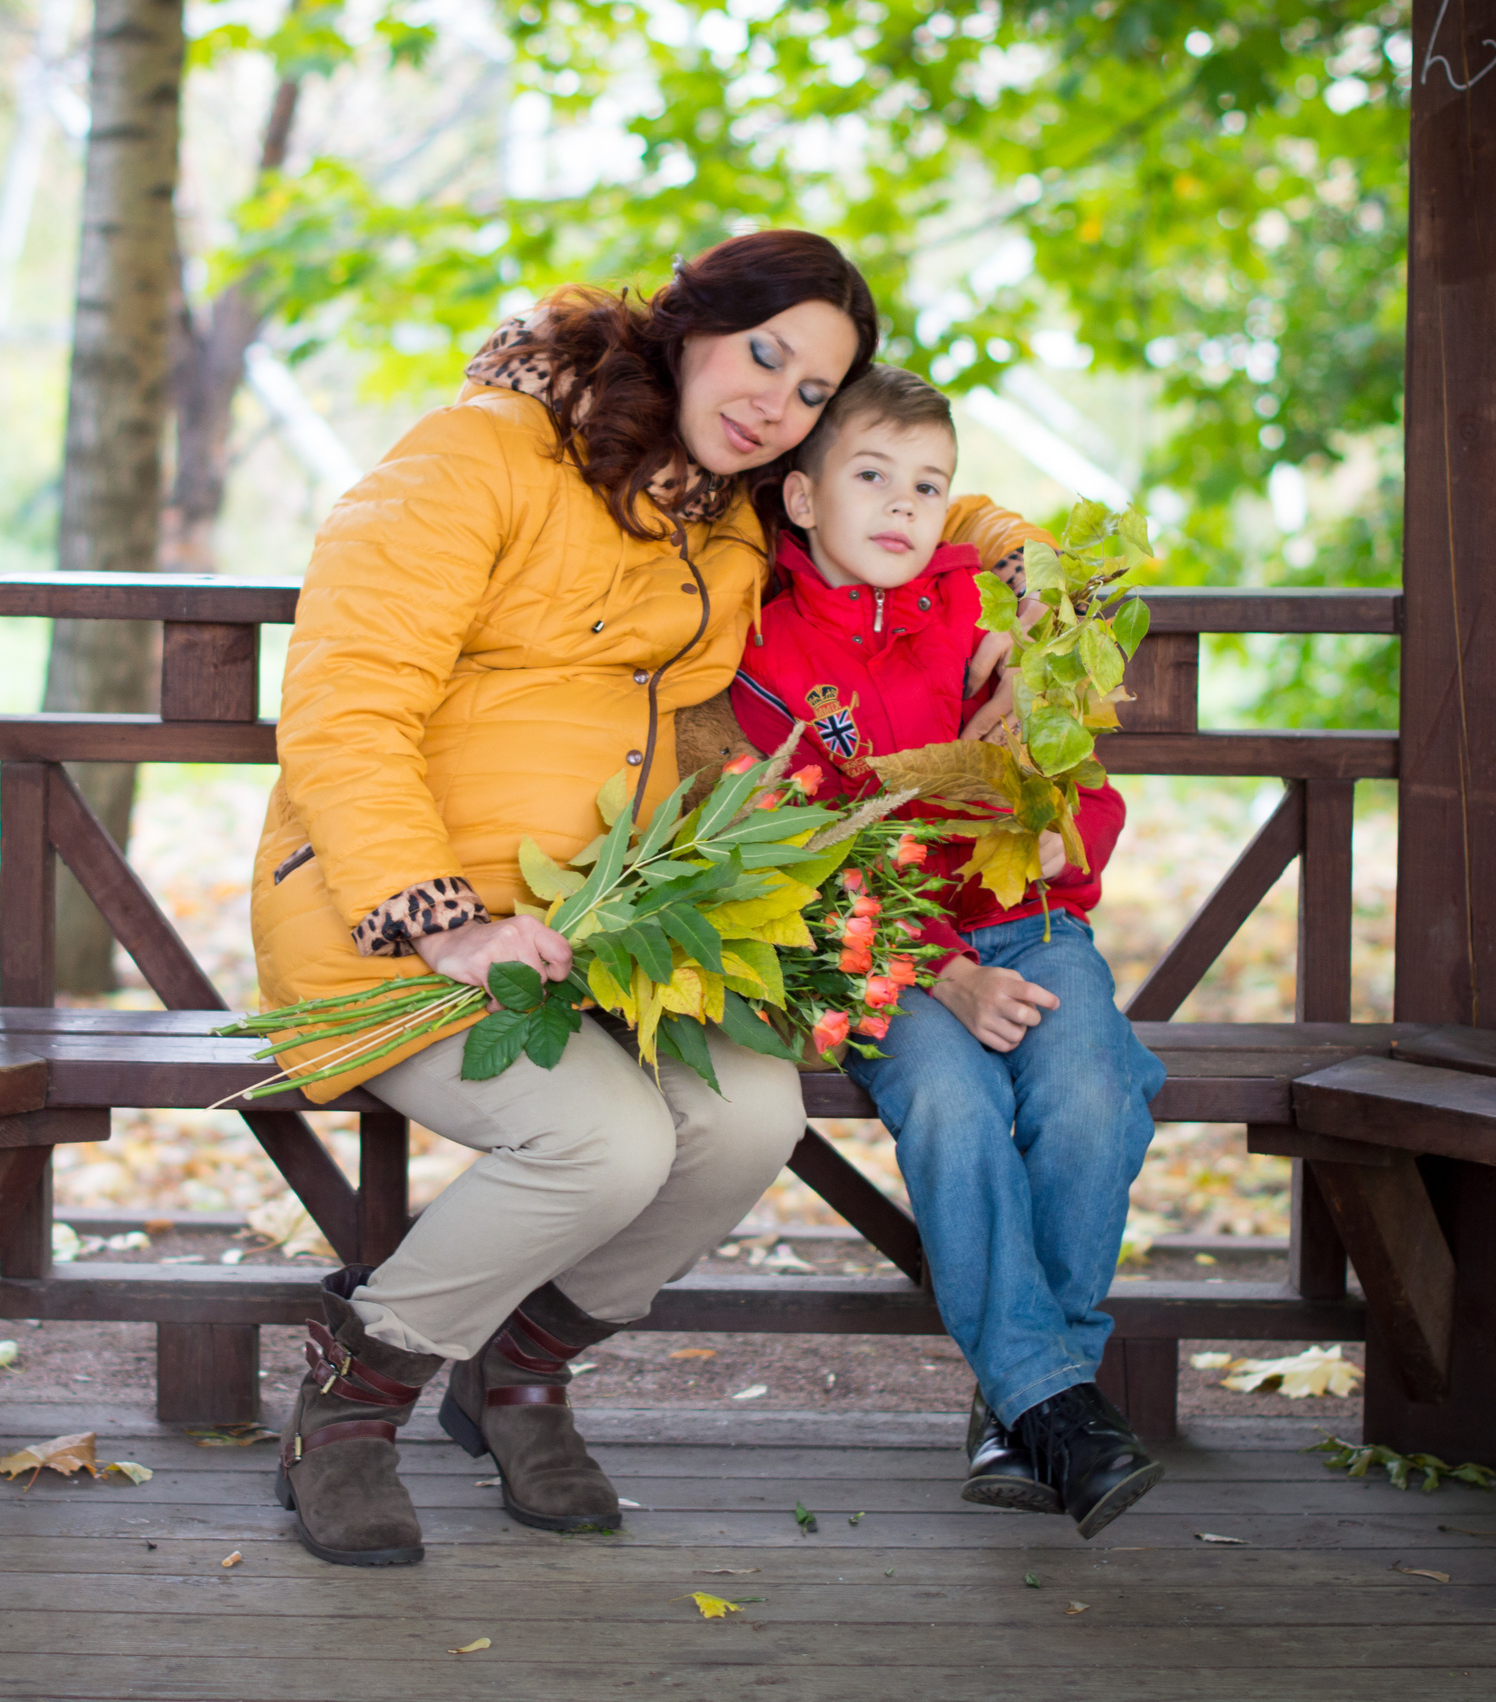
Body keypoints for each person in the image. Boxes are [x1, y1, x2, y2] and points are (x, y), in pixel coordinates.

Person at [252, 232, 1042, 1569]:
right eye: (764, 354)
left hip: (609, 928)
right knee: (606, 1143)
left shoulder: (729, 513)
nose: (774, 401)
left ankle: (517, 1373)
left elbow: (926, 503)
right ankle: (355, 1397)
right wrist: (443, 917)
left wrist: (1022, 565)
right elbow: (346, 704)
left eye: (809, 393)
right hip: (391, 916)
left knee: (749, 1118)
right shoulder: (478, 455)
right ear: (687, 325)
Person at [724, 366, 1169, 1539]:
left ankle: (1023, 1402)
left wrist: (1052, 784)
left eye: (928, 485)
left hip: (1032, 925)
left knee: (1094, 1092)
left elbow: (1084, 801)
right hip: (889, 959)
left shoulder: (991, 609)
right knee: (955, 1106)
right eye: (870, 477)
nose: (901, 506)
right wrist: (947, 972)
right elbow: (806, 859)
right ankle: (1053, 1405)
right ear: (803, 499)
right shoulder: (767, 649)